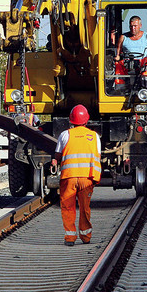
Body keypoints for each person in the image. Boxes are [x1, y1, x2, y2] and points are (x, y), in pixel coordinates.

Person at [52, 104, 102, 246]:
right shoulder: (94, 136)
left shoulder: (65, 134)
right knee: (85, 207)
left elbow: (58, 154)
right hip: (87, 177)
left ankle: (70, 238)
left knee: (68, 207)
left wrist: (55, 160)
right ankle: (86, 237)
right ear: (86, 121)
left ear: (71, 120)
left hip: (69, 177)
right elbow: (97, 155)